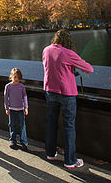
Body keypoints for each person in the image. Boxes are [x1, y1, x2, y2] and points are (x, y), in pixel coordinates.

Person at [42, 29, 94, 169]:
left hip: (50, 91)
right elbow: (89, 69)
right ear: (68, 41)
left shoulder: (46, 50)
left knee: (51, 123)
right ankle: (70, 160)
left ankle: (50, 153)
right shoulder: (68, 53)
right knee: (69, 126)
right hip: (67, 93)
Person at [4, 68, 28, 151]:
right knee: (12, 125)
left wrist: (26, 107)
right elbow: (6, 98)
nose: (16, 79)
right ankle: (12, 140)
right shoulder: (8, 86)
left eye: (18, 77)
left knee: (22, 126)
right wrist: (7, 108)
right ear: (11, 77)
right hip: (12, 109)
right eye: (15, 77)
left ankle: (24, 142)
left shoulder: (21, 87)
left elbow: (25, 97)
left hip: (21, 109)